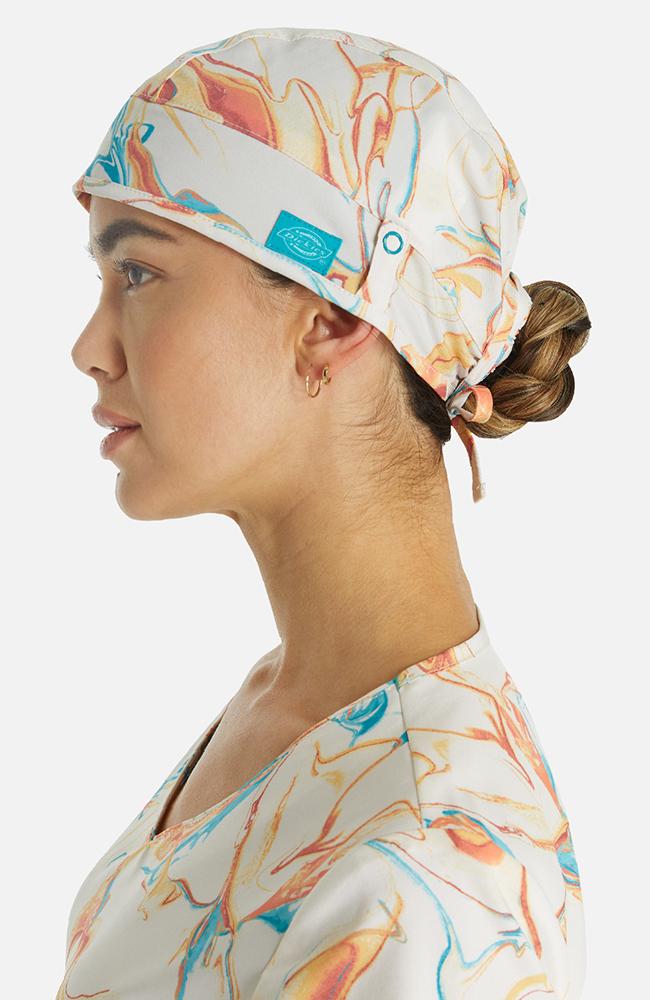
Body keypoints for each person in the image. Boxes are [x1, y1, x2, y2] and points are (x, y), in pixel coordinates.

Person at [58, 26, 589, 999]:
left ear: (332, 315)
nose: (89, 348)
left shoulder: (432, 878)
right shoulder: (297, 703)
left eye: (137, 274)